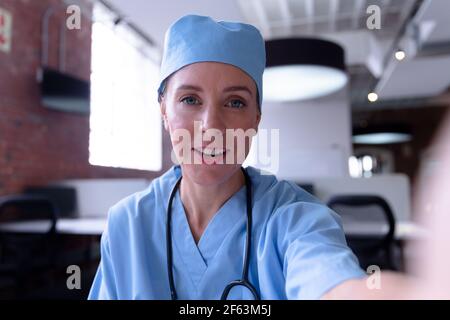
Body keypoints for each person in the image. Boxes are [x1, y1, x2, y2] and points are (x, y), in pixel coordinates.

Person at [87, 14, 369, 300]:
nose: (211, 126)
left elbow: (330, 278)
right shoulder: (127, 225)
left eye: (235, 102)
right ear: (164, 110)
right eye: (190, 99)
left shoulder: (295, 221)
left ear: (256, 117)